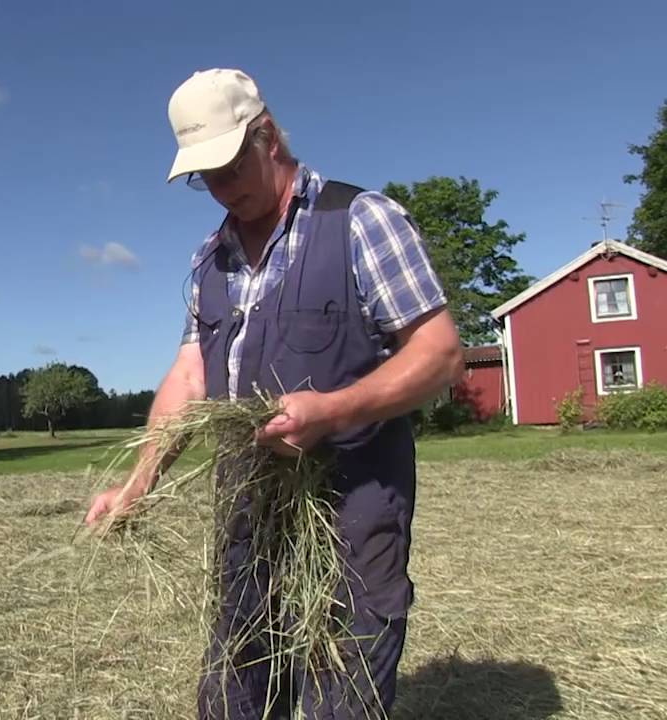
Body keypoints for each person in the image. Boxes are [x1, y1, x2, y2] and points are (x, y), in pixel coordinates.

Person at [83, 69, 464, 719]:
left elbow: (440, 354)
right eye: (206, 178)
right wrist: (136, 486)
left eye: (231, 168)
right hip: (247, 508)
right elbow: (190, 378)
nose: (222, 189)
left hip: (349, 505)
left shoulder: (360, 221)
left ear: (268, 136)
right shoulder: (211, 258)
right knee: (235, 689)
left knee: (342, 691)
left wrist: (334, 410)